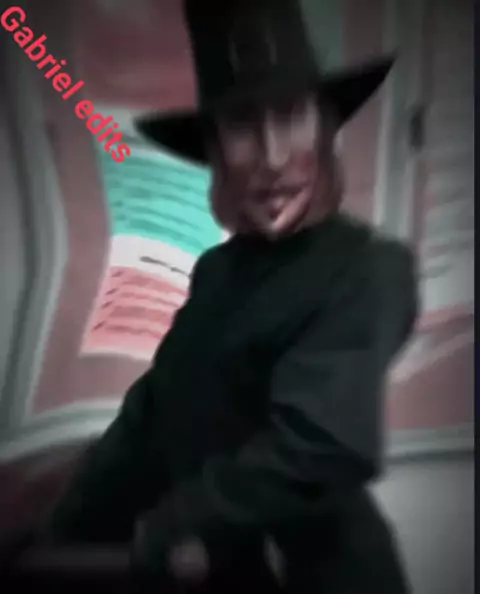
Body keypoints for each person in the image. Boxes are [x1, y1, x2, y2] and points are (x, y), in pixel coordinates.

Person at [36, 0, 418, 592]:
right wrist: (64, 529)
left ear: (323, 130)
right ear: (214, 147)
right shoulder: (216, 272)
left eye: (290, 116)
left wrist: (170, 529)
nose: (272, 158)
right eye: (242, 125)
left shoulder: (369, 268)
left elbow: (320, 447)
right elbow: (154, 411)